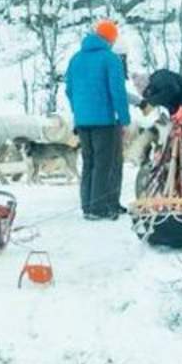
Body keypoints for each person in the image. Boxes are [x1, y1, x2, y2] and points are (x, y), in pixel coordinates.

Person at [62, 20, 130, 220]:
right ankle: (101, 207)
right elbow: (117, 91)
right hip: (105, 121)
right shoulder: (110, 59)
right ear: (111, 38)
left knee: (89, 162)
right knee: (106, 163)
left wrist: (78, 114)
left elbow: (69, 90)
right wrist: (124, 118)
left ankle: (90, 205)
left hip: (82, 122)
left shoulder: (75, 59)